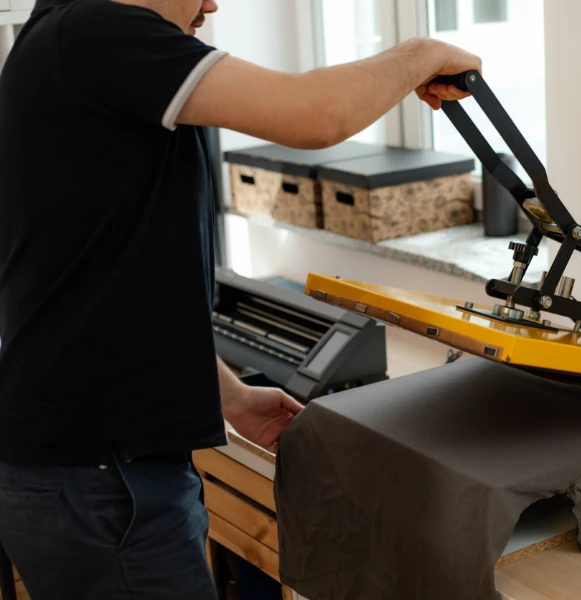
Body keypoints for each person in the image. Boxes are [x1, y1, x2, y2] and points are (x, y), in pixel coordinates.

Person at [0, 0, 481, 598]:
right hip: (105, 477)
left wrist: (228, 396)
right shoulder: (97, 30)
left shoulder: (68, 43)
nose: (211, 4)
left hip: (95, 467)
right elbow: (316, 114)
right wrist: (423, 52)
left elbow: (120, 284)